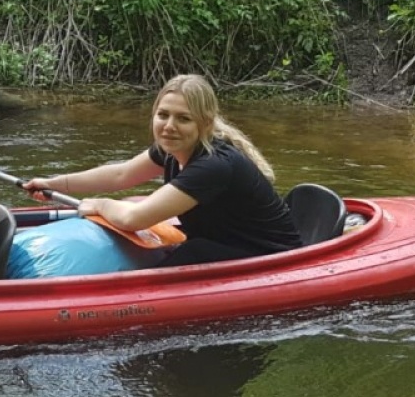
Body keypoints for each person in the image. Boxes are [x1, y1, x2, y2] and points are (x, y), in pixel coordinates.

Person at [24, 74, 302, 267]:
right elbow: (121, 174)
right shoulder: (172, 148)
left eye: (183, 118)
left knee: (192, 251)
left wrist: (98, 204)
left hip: (268, 255)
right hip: (220, 240)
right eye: (163, 115)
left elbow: (134, 218)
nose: (169, 125)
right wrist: (54, 184)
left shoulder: (213, 165)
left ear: (204, 125)